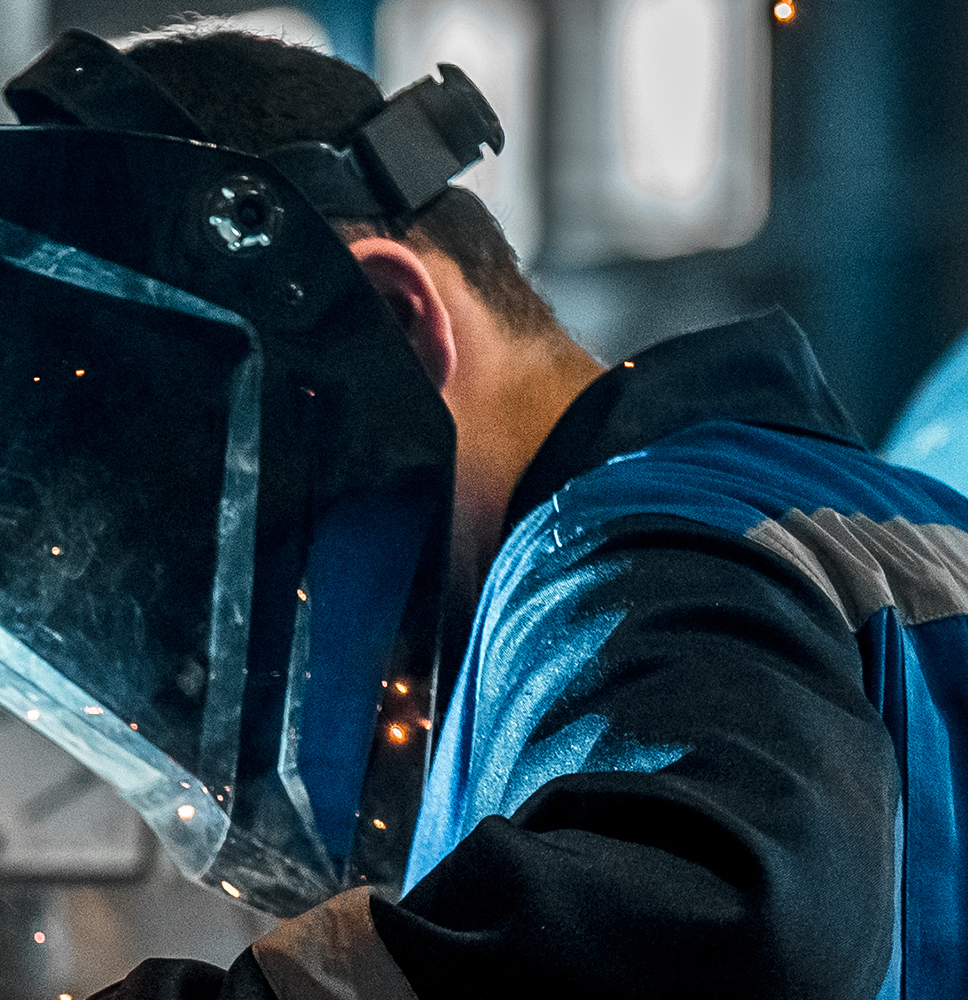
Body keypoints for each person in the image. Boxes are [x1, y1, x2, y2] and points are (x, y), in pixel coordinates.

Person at [78, 30, 956, 1000]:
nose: (215, 581)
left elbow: (721, 927)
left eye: (215, 483)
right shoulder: (836, 519)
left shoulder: (621, 556)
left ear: (391, 325)